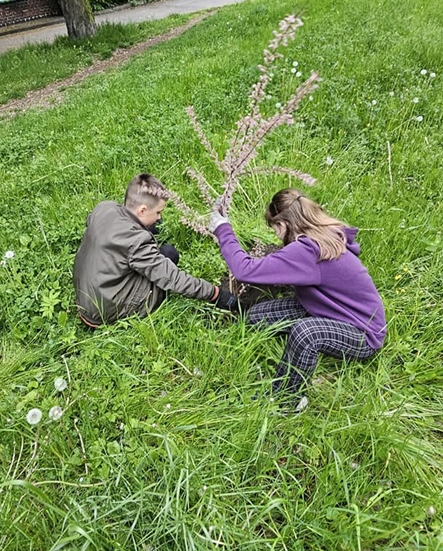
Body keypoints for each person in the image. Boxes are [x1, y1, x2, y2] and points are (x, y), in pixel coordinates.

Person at [209, 188, 386, 409]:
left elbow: (244, 270)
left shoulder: (307, 252)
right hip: (327, 308)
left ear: (283, 225)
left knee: (306, 332)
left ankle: (289, 397)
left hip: (363, 332)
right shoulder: (320, 236)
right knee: (256, 316)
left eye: (274, 229)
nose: (275, 235)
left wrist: (222, 228)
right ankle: (284, 358)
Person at [74, 173, 233, 326]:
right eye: (158, 212)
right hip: (106, 310)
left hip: (86, 297)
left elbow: (102, 227)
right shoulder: (137, 242)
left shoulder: (104, 208)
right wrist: (214, 294)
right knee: (169, 254)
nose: (159, 218)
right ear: (142, 210)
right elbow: (172, 278)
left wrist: (142, 226)